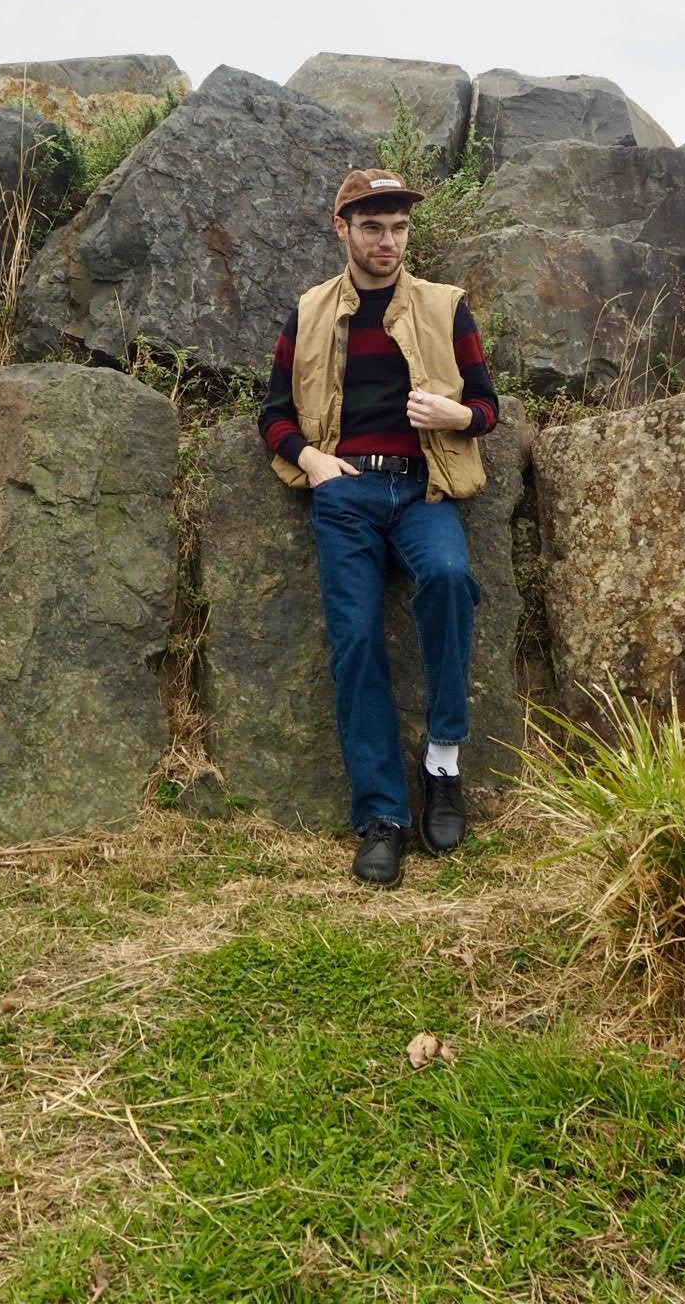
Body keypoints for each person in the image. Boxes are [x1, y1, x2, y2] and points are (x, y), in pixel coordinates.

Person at [258, 168, 501, 887]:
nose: (388, 241)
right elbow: (271, 414)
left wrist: (457, 418)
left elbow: (487, 407)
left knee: (452, 579)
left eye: (398, 227)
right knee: (357, 639)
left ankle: (444, 764)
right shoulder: (307, 313)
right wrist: (312, 460)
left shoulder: (445, 307)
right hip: (345, 492)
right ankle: (382, 818)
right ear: (344, 229)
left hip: (425, 490)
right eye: (373, 227)